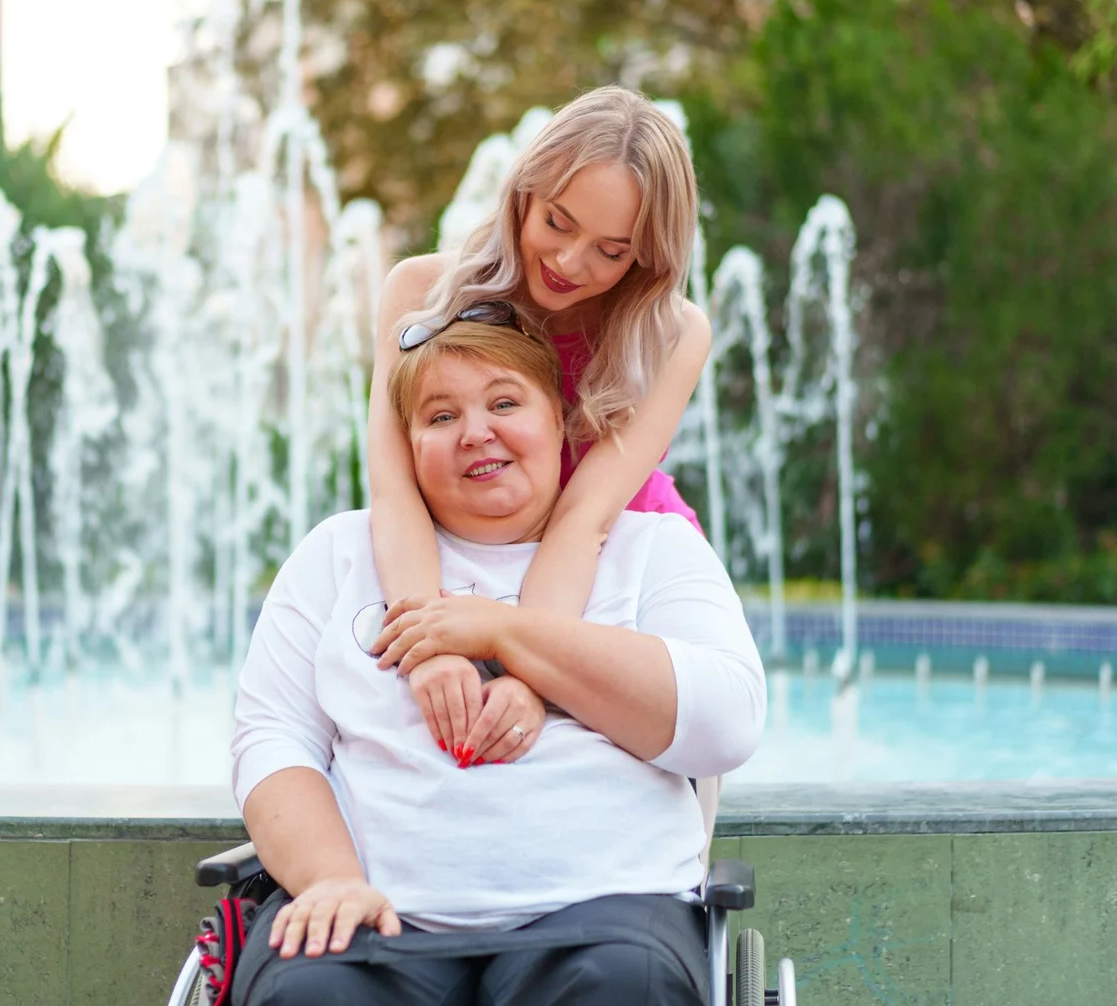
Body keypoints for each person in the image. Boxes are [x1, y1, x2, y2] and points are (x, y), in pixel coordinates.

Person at [229, 320, 765, 1005]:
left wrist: (508, 634)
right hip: (370, 910)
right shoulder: (338, 554)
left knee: (626, 987)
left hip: (608, 908)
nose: (475, 433)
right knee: (311, 994)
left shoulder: (653, 549)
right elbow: (272, 738)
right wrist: (330, 878)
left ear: (560, 421)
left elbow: (727, 723)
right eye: (441, 416)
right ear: (406, 444)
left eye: (505, 403)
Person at [369, 85, 711, 763]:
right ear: (524, 193)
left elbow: (585, 520)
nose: (569, 262)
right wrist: (432, 649)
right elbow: (393, 488)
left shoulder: (675, 334)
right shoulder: (420, 293)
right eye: (557, 222)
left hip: (622, 571)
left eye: (611, 251)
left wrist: (531, 676)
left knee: (675, 785)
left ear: (647, 255)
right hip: (464, 564)